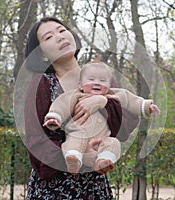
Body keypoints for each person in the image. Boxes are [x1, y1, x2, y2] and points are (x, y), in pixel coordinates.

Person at [23, 16, 139, 199]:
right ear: (41, 53)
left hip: (94, 186)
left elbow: (127, 123)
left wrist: (103, 102)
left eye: (62, 30)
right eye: (49, 37)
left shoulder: (98, 75)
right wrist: (82, 158)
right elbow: (36, 141)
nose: (60, 37)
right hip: (55, 188)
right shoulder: (42, 84)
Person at [43, 62, 161, 174]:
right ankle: (74, 159)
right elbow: (62, 104)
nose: (97, 83)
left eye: (102, 80)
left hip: (103, 137)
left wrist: (147, 106)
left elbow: (131, 100)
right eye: (91, 79)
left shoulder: (113, 95)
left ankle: (103, 161)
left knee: (114, 143)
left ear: (109, 85)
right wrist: (54, 117)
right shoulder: (77, 95)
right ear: (80, 85)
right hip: (78, 132)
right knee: (73, 143)